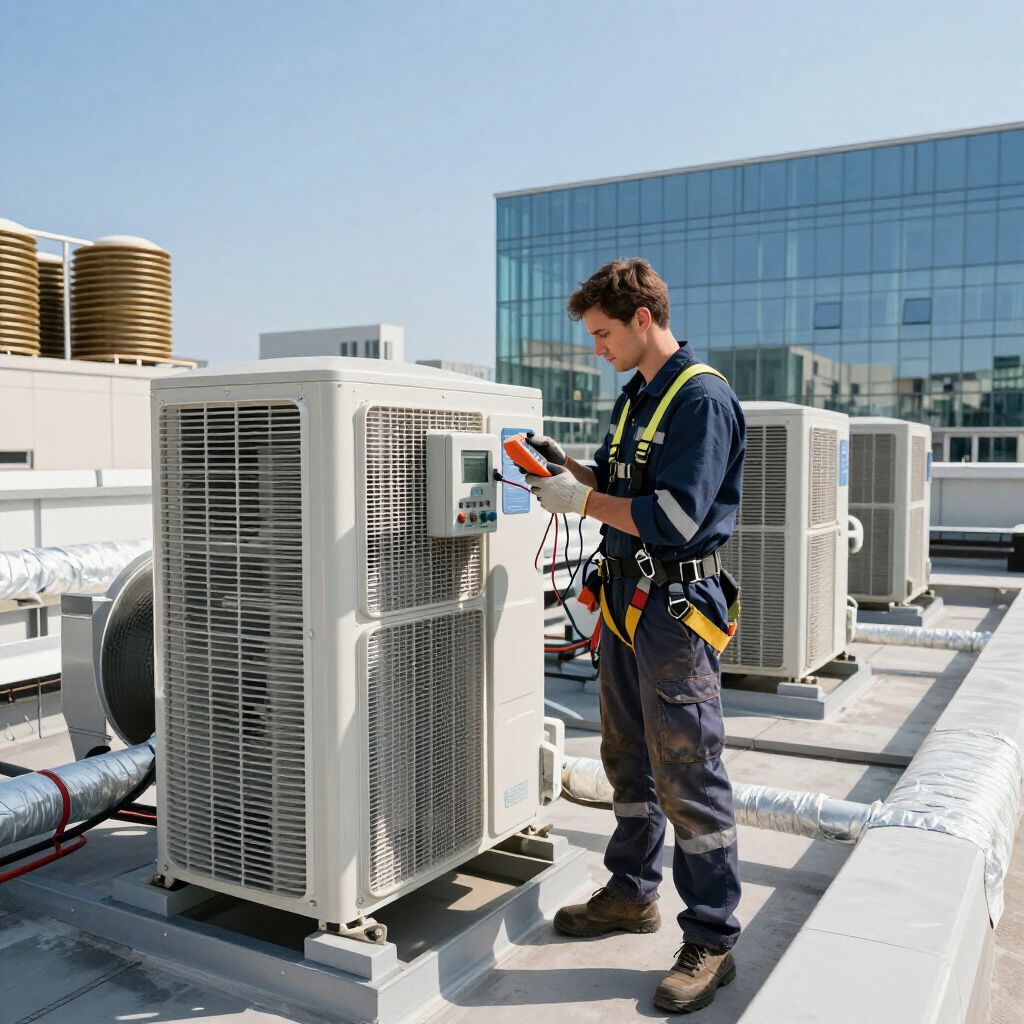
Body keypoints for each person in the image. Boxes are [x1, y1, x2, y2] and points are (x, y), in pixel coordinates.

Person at [524, 258, 745, 1015]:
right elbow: (625, 492)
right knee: (626, 757)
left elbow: (678, 517)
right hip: (625, 603)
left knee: (688, 766)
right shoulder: (637, 398)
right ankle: (630, 892)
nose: (598, 348)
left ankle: (712, 937)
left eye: (604, 333)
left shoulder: (701, 399)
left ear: (643, 320)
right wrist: (573, 472)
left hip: (674, 613)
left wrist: (581, 502)